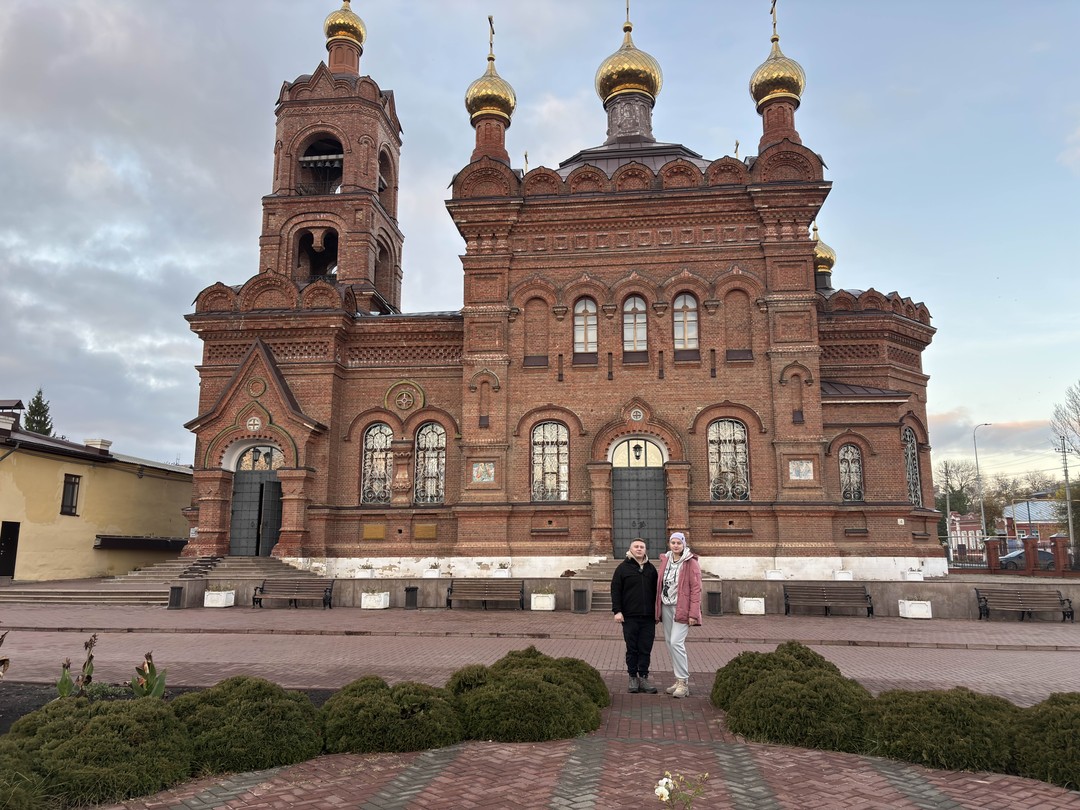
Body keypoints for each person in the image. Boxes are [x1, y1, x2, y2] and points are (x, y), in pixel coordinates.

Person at [655, 531, 702, 698]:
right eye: (673, 542)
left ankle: (683, 682)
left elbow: (696, 589)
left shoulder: (690, 563)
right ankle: (678, 678)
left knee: (676, 642)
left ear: (684, 544)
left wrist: (693, 614)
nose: (675, 545)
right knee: (669, 643)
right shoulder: (665, 560)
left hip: (682, 607)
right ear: (669, 543)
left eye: (678, 543)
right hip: (666, 606)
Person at [611, 538, 659, 694]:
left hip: (648, 617)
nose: (639, 549)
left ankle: (643, 677)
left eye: (642, 547)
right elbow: (616, 591)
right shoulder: (622, 569)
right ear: (630, 549)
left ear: (645, 550)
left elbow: (657, 593)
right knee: (632, 648)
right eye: (636, 547)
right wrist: (617, 611)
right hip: (630, 617)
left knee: (645, 648)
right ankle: (632, 677)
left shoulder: (651, 569)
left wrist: (658, 612)